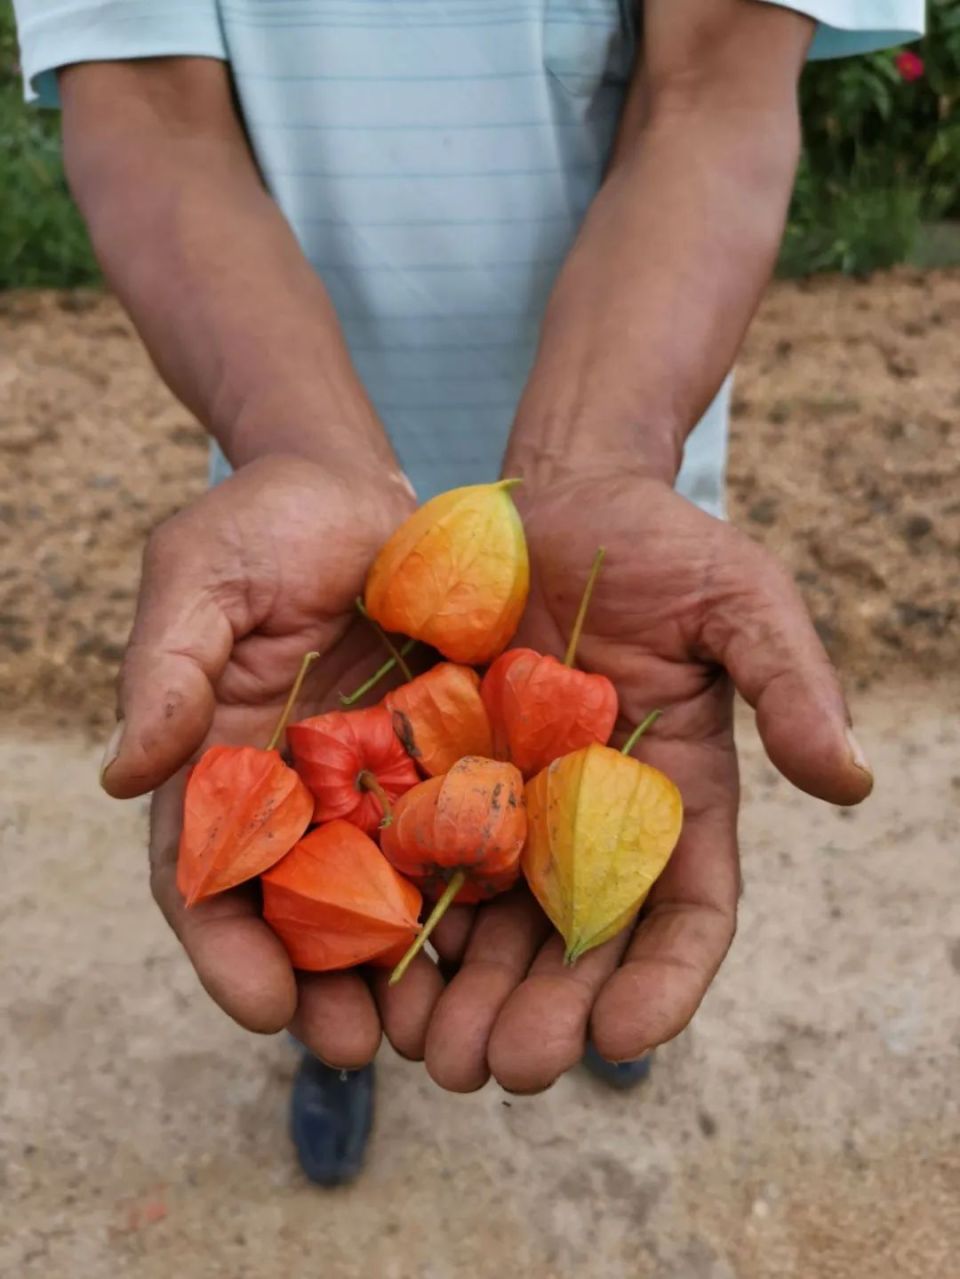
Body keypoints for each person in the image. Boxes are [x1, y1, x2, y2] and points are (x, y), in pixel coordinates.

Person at [13, 0, 923, 1185]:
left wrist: (596, 456)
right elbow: (146, 108)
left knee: (507, 874)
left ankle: (582, 919)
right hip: (293, 472)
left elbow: (714, 82)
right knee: (324, 919)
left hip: (625, 438)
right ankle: (334, 1032)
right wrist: (300, 445)